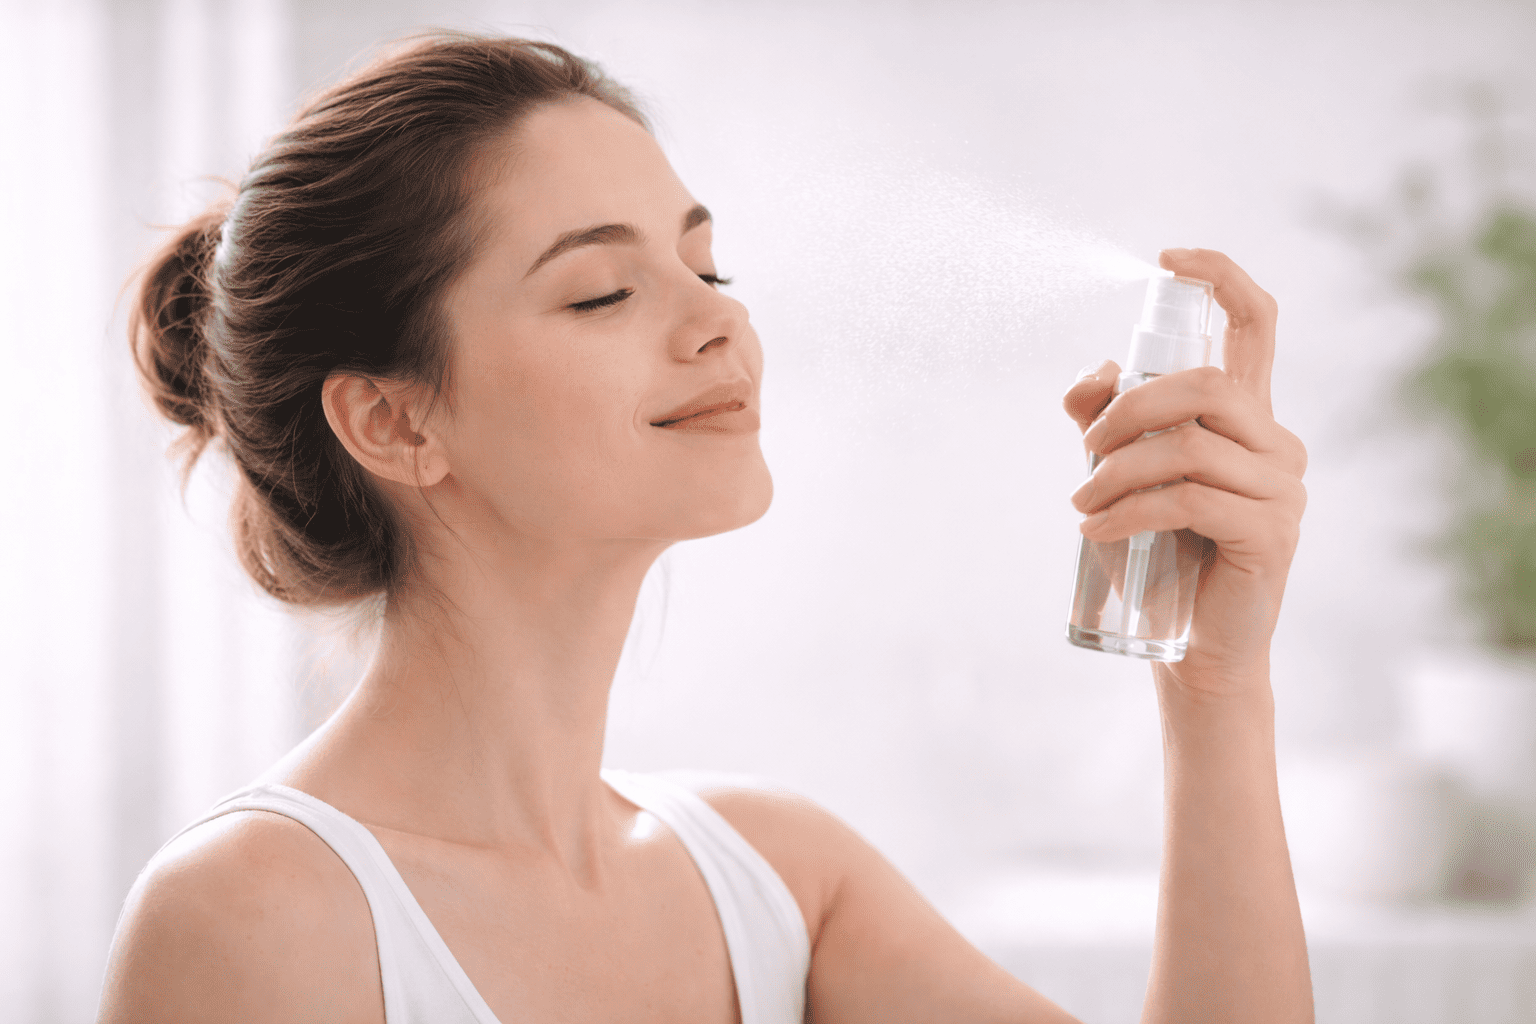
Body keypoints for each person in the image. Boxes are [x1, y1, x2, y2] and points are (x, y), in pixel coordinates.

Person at [97, 32, 1312, 1024]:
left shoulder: (780, 881)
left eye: (709, 270)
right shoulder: (253, 916)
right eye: (602, 292)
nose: (721, 323)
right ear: (393, 419)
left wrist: (1215, 686)